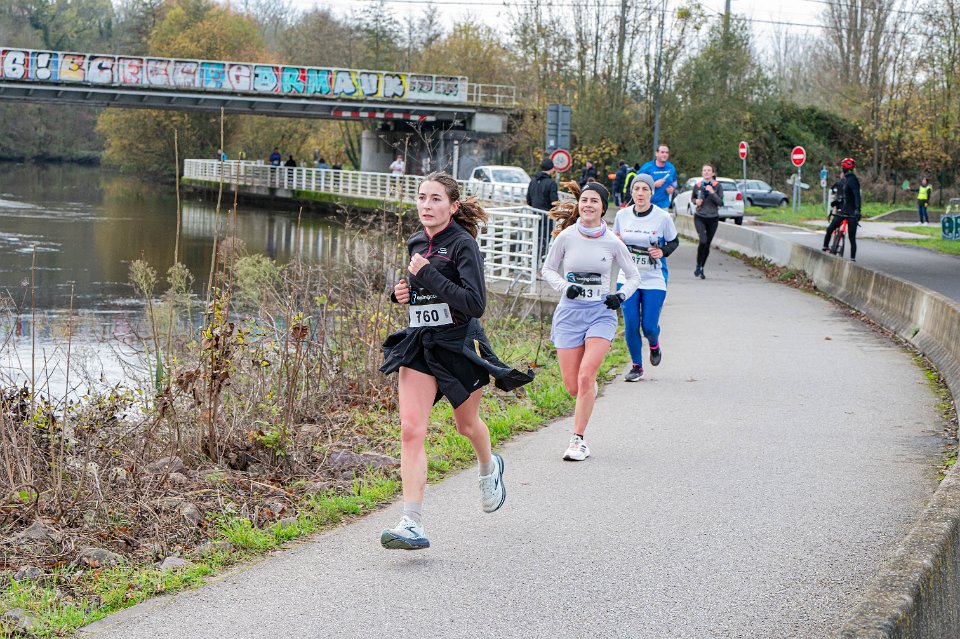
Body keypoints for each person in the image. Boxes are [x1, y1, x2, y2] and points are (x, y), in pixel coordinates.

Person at [379, 172, 535, 550]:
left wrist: (428, 275)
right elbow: (420, 292)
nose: (426, 205)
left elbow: (474, 303)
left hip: (459, 344)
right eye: (422, 198)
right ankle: (411, 522)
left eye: (435, 199)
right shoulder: (417, 241)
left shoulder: (464, 244)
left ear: (453, 206)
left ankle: (489, 466)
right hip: (421, 344)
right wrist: (400, 293)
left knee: (466, 425)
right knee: (410, 430)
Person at [542, 182, 641, 461]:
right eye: (584, 200)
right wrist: (565, 287)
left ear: (603, 208)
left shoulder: (612, 241)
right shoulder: (566, 237)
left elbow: (634, 276)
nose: (588, 204)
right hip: (569, 314)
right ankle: (587, 391)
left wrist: (620, 296)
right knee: (573, 386)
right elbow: (548, 269)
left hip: (601, 313)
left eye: (594, 200)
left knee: (586, 376)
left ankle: (578, 441)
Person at [614, 174, 679, 382]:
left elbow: (674, 242)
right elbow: (614, 240)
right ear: (632, 192)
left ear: (652, 192)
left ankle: (654, 344)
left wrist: (662, 251)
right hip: (627, 277)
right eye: (637, 189)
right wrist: (616, 241)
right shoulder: (622, 215)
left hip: (653, 277)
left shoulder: (662, 217)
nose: (640, 193)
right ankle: (637, 367)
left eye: (645, 189)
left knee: (649, 327)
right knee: (631, 324)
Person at [821, 157, 862, 261]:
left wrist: (857, 209)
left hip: (851, 212)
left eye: (842, 168)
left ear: (844, 169)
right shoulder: (846, 180)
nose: (842, 170)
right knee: (830, 229)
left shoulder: (852, 180)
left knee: (852, 237)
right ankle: (825, 247)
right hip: (844, 210)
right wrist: (836, 202)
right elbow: (845, 197)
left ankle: (852, 259)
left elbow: (857, 196)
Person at [692, 163, 724, 279]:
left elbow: (720, 202)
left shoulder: (717, 186)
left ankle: (701, 267)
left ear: (713, 173)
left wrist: (712, 192)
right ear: (702, 173)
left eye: (709, 170)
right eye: (704, 170)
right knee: (703, 240)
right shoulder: (698, 185)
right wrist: (696, 201)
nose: (706, 172)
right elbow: (693, 198)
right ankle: (698, 264)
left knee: (707, 244)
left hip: (713, 218)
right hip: (700, 217)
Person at [526, 158, 559, 260]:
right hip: (546, 217)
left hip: (534, 215)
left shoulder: (533, 181)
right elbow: (554, 202)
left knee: (536, 239)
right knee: (545, 240)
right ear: (552, 169)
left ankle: (534, 262)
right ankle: (539, 263)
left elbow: (528, 200)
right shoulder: (551, 183)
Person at [639, 145, 678, 209]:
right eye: (662, 152)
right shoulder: (647, 167)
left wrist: (673, 188)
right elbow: (637, 184)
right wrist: (653, 184)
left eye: (667, 152)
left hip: (664, 206)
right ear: (656, 153)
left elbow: (675, 182)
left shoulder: (671, 167)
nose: (665, 154)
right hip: (647, 205)